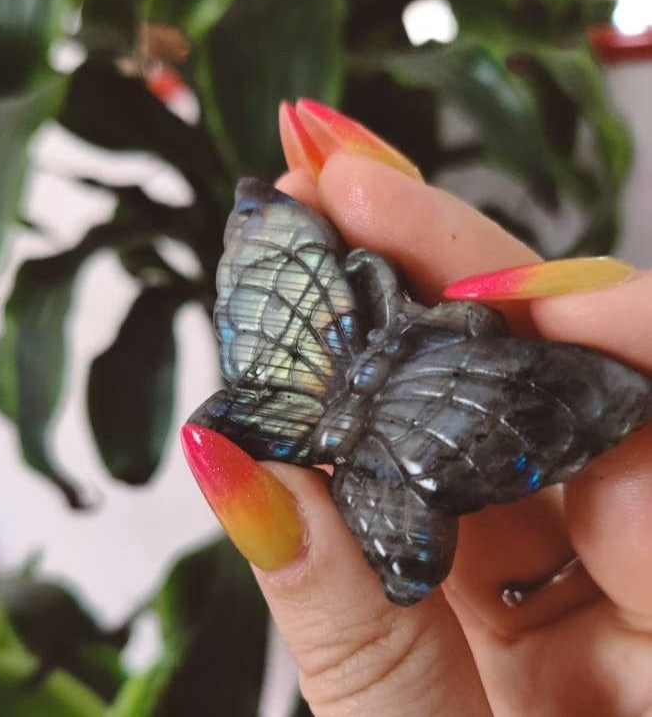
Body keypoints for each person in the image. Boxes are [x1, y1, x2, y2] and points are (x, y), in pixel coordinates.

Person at [181, 101, 652, 716]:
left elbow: (581, 402)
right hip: (391, 431)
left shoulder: (355, 305)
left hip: (309, 400)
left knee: (409, 567)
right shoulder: (447, 361)